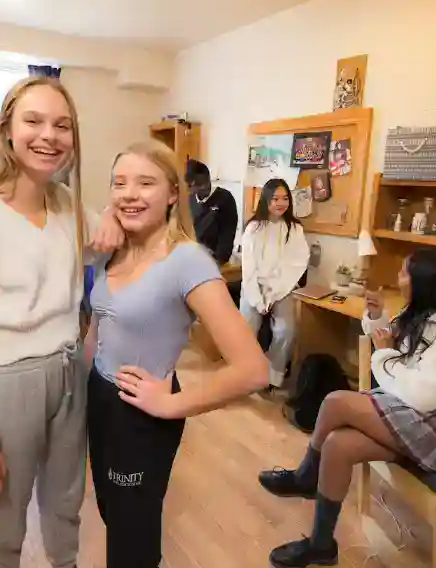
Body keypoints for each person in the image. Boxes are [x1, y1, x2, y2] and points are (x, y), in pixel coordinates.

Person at [0, 76, 124, 568]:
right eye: (33, 121)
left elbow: (108, 236)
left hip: (68, 371)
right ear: (5, 129)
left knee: (64, 503)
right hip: (5, 384)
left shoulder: (67, 205)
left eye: (62, 125)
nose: (48, 135)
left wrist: (114, 218)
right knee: (4, 522)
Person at [257, 247, 436, 567]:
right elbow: (400, 350)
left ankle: (307, 476)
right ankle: (322, 544)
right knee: (338, 445)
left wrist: (385, 353)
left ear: (426, 283)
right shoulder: (434, 315)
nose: (399, 279)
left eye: (404, 273)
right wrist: (377, 318)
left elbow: (420, 392)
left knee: (336, 401)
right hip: (428, 416)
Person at [84, 139, 268, 568]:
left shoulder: (188, 261)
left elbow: (253, 369)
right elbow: (99, 324)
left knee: (132, 538)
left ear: (172, 194)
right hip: (100, 398)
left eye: (145, 183)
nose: (129, 193)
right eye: (119, 184)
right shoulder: (117, 247)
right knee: (114, 513)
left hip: (141, 410)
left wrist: (171, 404)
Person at [239, 178, 309, 390]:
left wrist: (275, 292)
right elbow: (248, 266)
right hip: (254, 286)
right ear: (266, 200)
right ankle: (244, 375)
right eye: (275, 198)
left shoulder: (295, 229)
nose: (281, 203)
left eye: (285, 198)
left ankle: (272, 376)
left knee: (286, 331)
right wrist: (259, 299)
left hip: (282, 288)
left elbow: (296, 264)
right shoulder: (253, 228)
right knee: (245, 330)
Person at [185, 158, 238, 265]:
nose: (203, 187)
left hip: (215, 259)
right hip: (191, 257)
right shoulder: (189, 200)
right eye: (197, 185)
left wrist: (218, 258)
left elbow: (228, 232)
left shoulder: (225, 198)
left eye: (204, 183)